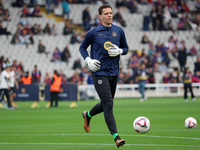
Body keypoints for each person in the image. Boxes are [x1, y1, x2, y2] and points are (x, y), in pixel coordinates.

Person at [79, 4, 128, 148]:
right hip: (99, 72)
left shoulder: (119, 31)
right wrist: (88, 60)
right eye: (106, 13)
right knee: (109, 104)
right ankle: (116, 137)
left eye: (111, 13)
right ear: (100, 16)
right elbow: (82, 48)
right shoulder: (93, 33)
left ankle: (87, 115)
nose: (109, 15)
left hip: (114, 72)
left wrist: (119, 50)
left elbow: (126, 48)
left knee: (106, 102)